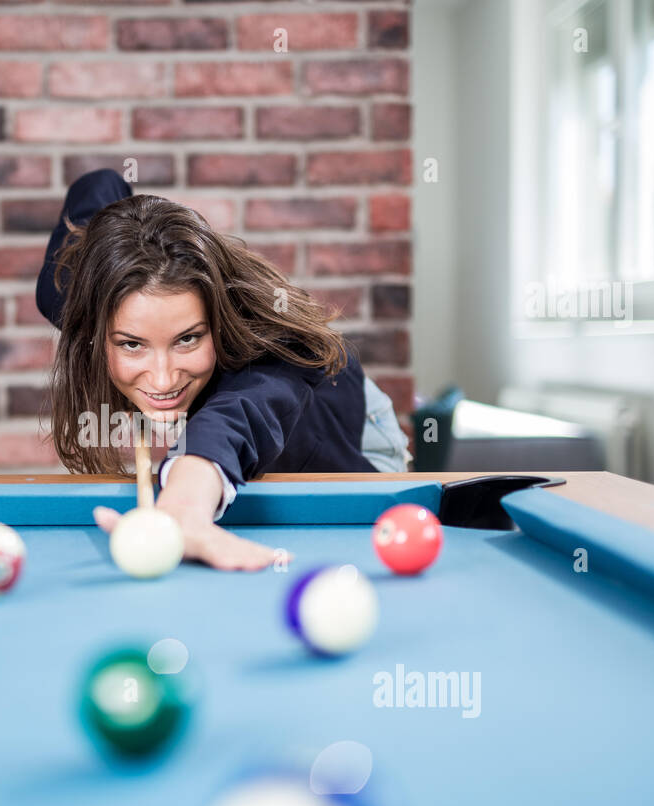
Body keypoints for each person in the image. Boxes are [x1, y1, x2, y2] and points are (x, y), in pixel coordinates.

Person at [37, 169, 412, 571]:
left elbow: (239, 415)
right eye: (132, 344)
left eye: (188, 339)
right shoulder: (73, 293)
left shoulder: (269, 351)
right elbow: (99, 184)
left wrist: (183, 507)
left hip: (343, 426)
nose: (163, 380)